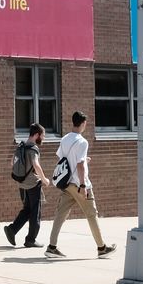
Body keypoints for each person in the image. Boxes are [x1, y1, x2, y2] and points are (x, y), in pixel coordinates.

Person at [46, 111, 114, 259]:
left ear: (73, 122)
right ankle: (102, 248)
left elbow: (63, 159)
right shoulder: (82, 142)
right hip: (78, 184)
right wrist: (83, 186)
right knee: (91, 215)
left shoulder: (65, 139)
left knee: (60, 214)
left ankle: (51, 247)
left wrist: (83, 160)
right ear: (83, 123)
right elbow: (79, 165)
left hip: (66, 183)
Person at [3, 123, 47, 248]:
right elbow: (36, 165)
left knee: (27, 210)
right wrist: (44, 179)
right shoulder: (33, 149)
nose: (43, 138)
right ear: (37, 135)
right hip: (33, 185)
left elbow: (12, 163)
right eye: (42, 136)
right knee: (35, 212)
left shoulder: (21, 146)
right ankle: (31, 239)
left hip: (22, 184)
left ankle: (12, 230)